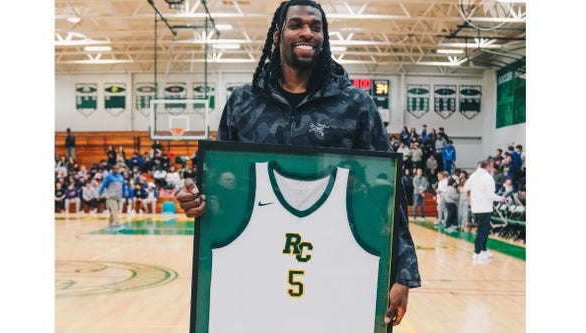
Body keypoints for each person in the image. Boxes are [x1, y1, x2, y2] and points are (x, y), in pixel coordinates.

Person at [176, 0, 420, 327]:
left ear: (324, 37)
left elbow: (389, 193)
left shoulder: (356, 105)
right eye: (296, 24)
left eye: (315, 27)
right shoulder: (243, 102)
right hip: (257, 267)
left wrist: (402, 273)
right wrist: (196, 198)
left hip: (335, 266)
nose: (307, 32)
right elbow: (220, 183)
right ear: (277, 35)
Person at [463, 160, 506, 261]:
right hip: (485, 208)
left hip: (476, 208)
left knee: (485, 230)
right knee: (482, 231)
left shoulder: (473, 176)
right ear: (488, 167)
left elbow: (465, 188)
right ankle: (477, 252)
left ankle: (483, 250)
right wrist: (501, 199)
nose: (492, 168)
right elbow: (490, 195)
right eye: (491, 166)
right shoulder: (488, 177)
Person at [98, 163, 127, 232]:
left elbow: (123, 185)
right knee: (115, 210)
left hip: (118, 196)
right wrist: (100, 193)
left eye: (118, 169)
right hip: (111, 196)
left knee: (115, 211)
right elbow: (103, 185)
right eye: (115, 169)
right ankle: (118, 224)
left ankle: (110, 224)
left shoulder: (120, 177)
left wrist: (125, 191)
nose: (116, 170)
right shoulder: (109, 177)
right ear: (113, 169)